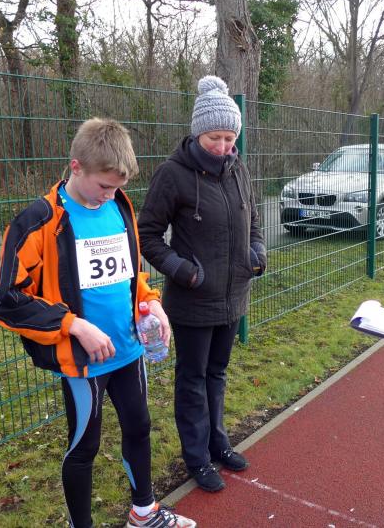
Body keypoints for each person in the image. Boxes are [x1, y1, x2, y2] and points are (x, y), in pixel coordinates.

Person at [0, 118, 196, 528]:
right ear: (76, 166)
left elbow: (129, 272)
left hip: (128, 348)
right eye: (104, 186)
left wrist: (150, 302)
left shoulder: (119, 206)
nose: (110, 194)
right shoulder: (39, 220)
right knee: (84, 446)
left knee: (139, 427)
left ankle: (144, 513)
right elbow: (8, 300)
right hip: (82, 361)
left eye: (118, 187)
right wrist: (74, 325)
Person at [138, 75, 266, 493]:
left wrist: (257, 252)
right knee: (192, 379)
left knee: (218, 373)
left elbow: (254, 219)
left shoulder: (238, 169)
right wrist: (181, 270)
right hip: (193, 299)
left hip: (234, 295)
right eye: (216, 138)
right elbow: (147, 235)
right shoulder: (172, 174)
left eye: (230, 138)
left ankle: (218, 444)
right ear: (198, 134)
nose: (224, 146)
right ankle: (196, 457)